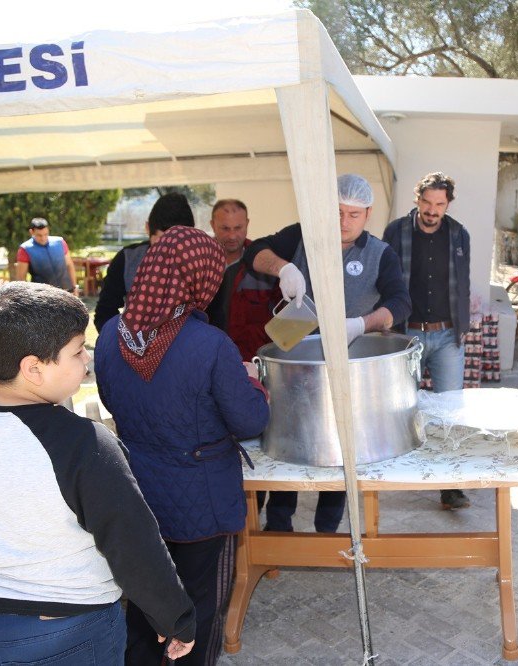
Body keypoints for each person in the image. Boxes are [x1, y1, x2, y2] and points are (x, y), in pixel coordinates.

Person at [0, 282, 196, 665]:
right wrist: (174, 616)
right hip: (65, 633)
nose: (86, 360)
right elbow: (134, 545)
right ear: (34, 369)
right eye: (77, 351)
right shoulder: (84, 445)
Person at [95, 227, 270, 665]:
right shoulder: (210, 345)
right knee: (197, 609)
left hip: (137, 495)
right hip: (201, 503)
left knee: (144, 602)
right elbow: (249, 420)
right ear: (200, 280)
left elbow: (113, 400)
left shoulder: (111, 334)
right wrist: (254, 385)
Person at [244, 173, 411, 533]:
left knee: (341, 445)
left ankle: (326, 528)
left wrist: (362, 324)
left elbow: (401, 302)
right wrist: (284, 267)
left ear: (368, 213)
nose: (343, 222)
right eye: (336, 212)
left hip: (349, 363)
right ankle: (278, 526)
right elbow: (254, 251)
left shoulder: (380, 254)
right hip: (297, 360)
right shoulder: (303, 236)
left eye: (353, 214)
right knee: (291, 437)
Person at [384, 172, 472, 510]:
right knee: (402, 407)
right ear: (417, 198)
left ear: (448, 203)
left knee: (452, 411)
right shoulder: (396, 232)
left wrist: (463, 324)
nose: (432, 210)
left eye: (439, 204)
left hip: (449, 334)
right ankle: (399, 471)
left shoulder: (459, 234)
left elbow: (461, 283)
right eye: (427, 202)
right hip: (408, 335)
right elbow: (385, 281)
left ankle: (450, 486)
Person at [94, 192, 196, 331]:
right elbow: (105, 311)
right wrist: (121, 342)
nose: (169, 251)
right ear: (148, 228)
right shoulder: (127, 259)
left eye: (178, 243)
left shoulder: (203, 265)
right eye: (161, 241)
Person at [204, 199, 280, 359]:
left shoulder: (266, 263)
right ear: (212, 225)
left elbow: (281, 319)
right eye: (225, 228)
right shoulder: (199, 263)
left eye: (238, 228)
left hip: (253, 362)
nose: (232, 236)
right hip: (208, 360)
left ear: (247, 223)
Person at [15, 217, 78, 293]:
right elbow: (21, 278)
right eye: (39, 235)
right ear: (32, 232)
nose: (43, 238)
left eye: (46, 234)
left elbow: (69, 265)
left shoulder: (60, 242)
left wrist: (74, 287)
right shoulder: (25, 249)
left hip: (67, 292)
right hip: (43, 296)